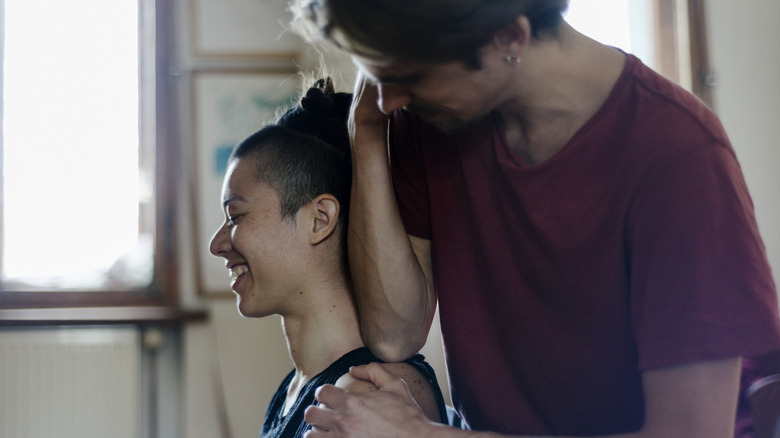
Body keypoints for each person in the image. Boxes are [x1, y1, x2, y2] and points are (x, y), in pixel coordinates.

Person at [289, 1, 780, 437]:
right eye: (377, 76)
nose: (390, 99)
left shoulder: (678, 156)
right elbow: (395, 332)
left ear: (509, 38)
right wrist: (366, 130)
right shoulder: (428, 117)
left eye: (409, 77)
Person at [208, 78, 450, 438]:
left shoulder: (370, 395)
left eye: (236, 216)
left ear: (320, 219)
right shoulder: (295, 390)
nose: (217, 243)